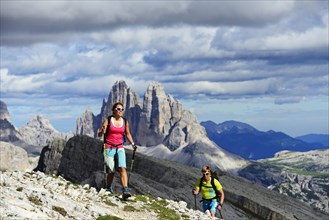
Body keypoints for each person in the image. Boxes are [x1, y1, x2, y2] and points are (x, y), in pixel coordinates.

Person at [98, 102, 137, 199]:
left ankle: (125, 190)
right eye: (118, 109)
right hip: (109, 147)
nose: (120, 111)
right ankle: (108, 187)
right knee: (111, 170)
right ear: (114, 110)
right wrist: (102, 130)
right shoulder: (108, 120)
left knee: (122, 168)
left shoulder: (125, 121)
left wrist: (132, 144)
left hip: (120, 147)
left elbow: (127, 134)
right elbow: (100, 134)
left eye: (122, 109)